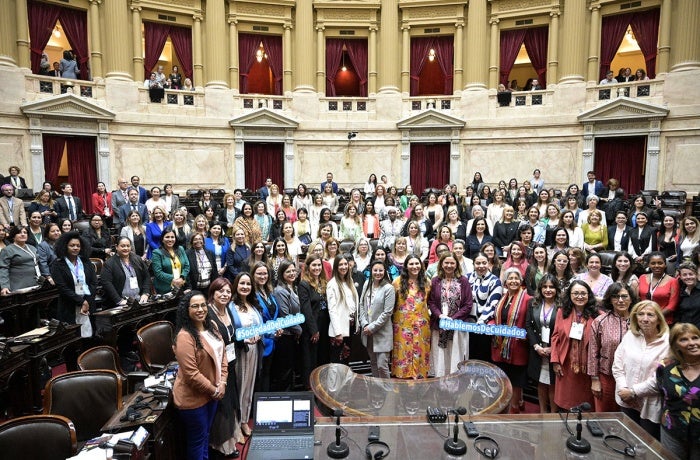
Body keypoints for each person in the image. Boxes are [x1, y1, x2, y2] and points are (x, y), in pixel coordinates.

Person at [173, 291, 227, 460]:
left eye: (203, 305)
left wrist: (223, 382)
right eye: (195, 306)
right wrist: (214, 390)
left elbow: (222, 355)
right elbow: (191, 374)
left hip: (213, 393)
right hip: (193, 398)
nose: (200, 309)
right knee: (197, 440)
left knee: (205, 435)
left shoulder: (212, 325)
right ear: (186, 310)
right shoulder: (184, 336)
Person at [612, 300, 670, 439]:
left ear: (659, 319)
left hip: (649, 405)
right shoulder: (630, 336)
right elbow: (617, 365)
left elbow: (660, 378)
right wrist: (623, 389)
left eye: (650, 315)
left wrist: (633, 392)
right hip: (625, 398)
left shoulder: (668, 343)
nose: (645, 319)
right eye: (641, 314)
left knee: (646, 443)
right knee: (626, 438)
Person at [551, 280, 599, 411]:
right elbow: (555, 337)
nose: (579, 296)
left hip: (587, 369)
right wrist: (555, 361)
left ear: (589, 295)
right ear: (570, 295)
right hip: (566, 365)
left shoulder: (598, 315)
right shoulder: (562, 312)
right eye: (576, 293)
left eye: (583, 293)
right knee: (566, 404)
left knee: (585, 406)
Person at [588, 283, 635, 412]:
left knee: (629, 419)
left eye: (624, 296)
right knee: (605, 416)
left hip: (632, 379)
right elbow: (593, 352)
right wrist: (595, 379)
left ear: (631, 299)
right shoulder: (600, 321)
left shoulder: (639, 321)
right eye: (615, 296)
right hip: (606, 377)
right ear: (610, 299)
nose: (620, 300)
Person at [656, 323, 700, 459]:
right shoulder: (665, 367)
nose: (692, 343)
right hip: (672, 430)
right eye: (684, 339)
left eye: (695, 338)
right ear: (675, 345)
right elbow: (662, 394)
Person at [492, 268, 531, 413]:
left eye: (516, 278)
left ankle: (514, 408)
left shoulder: (528, 299)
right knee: (504, 378)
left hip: (518, 346)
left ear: (521, 281)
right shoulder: (503, 297)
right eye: (510, 279)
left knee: (516, 380)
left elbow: (528, 322)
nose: (513, 281)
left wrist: (523, 336)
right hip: (500, 345)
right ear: (505, 282)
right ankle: (514, 402)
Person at [229, 272, 262, 439]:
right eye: (242, 283)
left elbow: (259, 326)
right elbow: (230, 332)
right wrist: (244, 338)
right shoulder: (230, 306)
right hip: (240, 352)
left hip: (254, 350)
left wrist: (259, 334)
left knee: (249, 387)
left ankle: (244, 420)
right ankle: (236, 423)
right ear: (236, 285)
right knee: (239, 387)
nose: (245, 287)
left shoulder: (252, 304)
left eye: (248, 284)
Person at [428, 252, 473, 377]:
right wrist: (440, 316)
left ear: (456, 264)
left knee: (455, 355)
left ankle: (455, 381)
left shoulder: (463, 281)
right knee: (440, 355)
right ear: (441, 264)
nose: (449, 265)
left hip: (457, 326)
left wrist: (452, 319)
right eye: (446, 262)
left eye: (452, 263)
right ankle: (440, 379)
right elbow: (431, 301)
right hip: (439, 325)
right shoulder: (435, 280)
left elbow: (468, 304)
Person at [526, 275, 561, 413]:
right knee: (541, 381)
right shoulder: (533, 303)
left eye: (551, 287)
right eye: (545, 287)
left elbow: (564, 331)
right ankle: (542, 412)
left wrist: (554, 349)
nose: (548, 290)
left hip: (554, 350)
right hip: (538, 350)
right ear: (540, 289)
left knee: (552, 383)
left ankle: (553, 414)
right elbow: (528, 325)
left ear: (556, 289)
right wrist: (536, 346)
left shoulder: (562, 306)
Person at [392, 255, 431, 379]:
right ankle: (403, 377)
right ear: (406, 266)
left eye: (417, 263)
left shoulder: (427, 281)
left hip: (421, 324)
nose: (415, 267)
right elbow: (392, 304)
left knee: (421, 350)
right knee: (403, 351)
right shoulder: (397, 282)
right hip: (403, 324)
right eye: (411, 264)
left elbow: (429, 303)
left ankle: (419, 377)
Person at [50, 231, 97, 329]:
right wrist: (81, 301)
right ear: (65, 246)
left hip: (88, 303)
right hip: (69, 305)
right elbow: (62, 287)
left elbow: (93, 282)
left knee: (90, 334)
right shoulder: (58, 264)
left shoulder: (85, 261)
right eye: (72, 245)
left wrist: (87, 301)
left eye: (78, 246)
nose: (75, 248)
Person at [359, 260, 396, 378]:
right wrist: (364, 323)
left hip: (382, 332)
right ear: (371, 271)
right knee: (373, 363)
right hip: (368, 332)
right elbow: (361, 305)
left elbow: (387, 312)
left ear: (385, 271)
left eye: (381, 270)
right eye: (375, 270)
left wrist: (372, 327)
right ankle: (376, 391)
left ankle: (387, 392)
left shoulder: (388, 288)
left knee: (382, 365)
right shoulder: (366, 284)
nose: (378, 273)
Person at [271, 260, 302, 391]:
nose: (292, 273)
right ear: (281, 274)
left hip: (292, 335)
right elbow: (285, 316)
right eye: (288, 271)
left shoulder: (292, 287)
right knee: (284, 372)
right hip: (285, 336)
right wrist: (299, 330)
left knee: (291, 370)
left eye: (293, 270)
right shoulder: (280, 291)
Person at [298, 254, 328, 388]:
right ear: (308, 267)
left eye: (318, 265)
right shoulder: (304, 284)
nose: (317, 268)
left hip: (324, 325)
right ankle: (309, 387)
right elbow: (306, 309)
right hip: (311, 328)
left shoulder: (323, 283)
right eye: (314, 265)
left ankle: (320, 386)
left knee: (321, 357)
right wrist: (313, 330)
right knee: (309, 359)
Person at [251, 262, 280, 393]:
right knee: (258, 377)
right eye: (259, 273)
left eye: (265, 273)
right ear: (253, 275)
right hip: (259, 342)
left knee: (267, 375)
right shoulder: (251, 295)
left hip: (272, 342)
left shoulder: (269, 292)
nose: (263, 276)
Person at [100, 237, 152, 308]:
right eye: (123, 246)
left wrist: (145, 293)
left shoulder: (138, 259)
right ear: (116, 247)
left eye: (128, 246)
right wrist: (119, 300)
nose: (126, 248)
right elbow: (106, 283)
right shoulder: (109, 263)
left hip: (139, 301)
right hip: (121, 304)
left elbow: (146, 276)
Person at [327, 255, 358, 365]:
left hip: (349, 326)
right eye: (340, 264)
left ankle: (344, 382)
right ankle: (336, 383)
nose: (344, 266)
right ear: (335, 267)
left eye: (345, 264)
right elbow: (332, 310)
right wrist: (338, 332)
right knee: (337, 362)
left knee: (346, 360)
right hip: (339, 330)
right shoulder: (332, 284)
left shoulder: (349, 281)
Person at [638, 252, 680, 325]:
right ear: (649, 265)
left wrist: (654, 317)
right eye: (653, 263)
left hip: (663, 321)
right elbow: (638, 299)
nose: (656, 266)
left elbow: (672, 306)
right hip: (644, 321)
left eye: (660, 263)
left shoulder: (673, 281)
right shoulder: (642, 278)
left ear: (665, 264)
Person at [0, 226, 40, 295]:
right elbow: (3, 268)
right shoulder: (7, 250)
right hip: (18, 285)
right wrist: (4, 286)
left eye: (25, 232)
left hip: (35, 282)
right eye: (19, 233)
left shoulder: (32, 247)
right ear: (13, 236)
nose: (23, 234)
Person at [151, 228, 189, 295]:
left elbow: (187, 266)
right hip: (164, 289)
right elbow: (158, 272)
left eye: (172, 237)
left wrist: (182, 277)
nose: (170, 239)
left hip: (181, 285)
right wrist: (173, 279)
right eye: (167, 237)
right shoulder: (157, 253)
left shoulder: (180, 249)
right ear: (162, 239)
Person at [676, 262, 700, 328]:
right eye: (684, 275)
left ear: (696, 275)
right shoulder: (680, 291)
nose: (688, 277)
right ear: (680, 277)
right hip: (685, 331)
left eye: (691, 274)